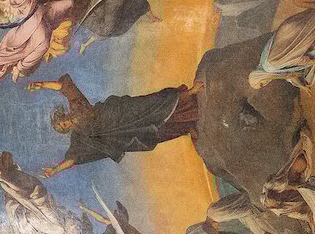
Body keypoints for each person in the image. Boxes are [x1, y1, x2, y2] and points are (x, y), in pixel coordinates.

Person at [28, 74, 200, 176]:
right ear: (65, 130)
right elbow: (73, 159)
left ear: (63, 116)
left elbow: (65, 87)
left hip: (119, 112)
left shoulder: (76, 106)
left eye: (62, 122)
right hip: (119, 133)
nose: (65, 124)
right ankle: (185, 126)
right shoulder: (79, 137)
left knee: (152, 103)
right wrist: (55, 170)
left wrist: (43, 85)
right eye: (63, 127)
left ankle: (190, 93)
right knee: (150, 134)